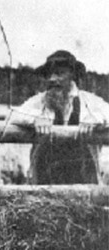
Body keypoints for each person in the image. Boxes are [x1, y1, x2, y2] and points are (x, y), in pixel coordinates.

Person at [10, 50, 109, 184]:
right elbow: (13, 116)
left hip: (84, 186)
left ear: (72, 75)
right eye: (49, 74)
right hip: (45, 184)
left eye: (59, 73)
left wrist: (97, 119)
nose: (52, 79)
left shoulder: (89, 102)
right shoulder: (39, 102)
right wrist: (35, 119)